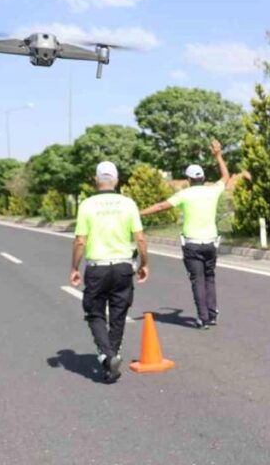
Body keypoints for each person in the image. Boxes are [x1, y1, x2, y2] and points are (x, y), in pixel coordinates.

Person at [140, 138, 235, 329]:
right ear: (203, 178)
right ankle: (212, 313)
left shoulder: (184, 194)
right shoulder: (212, 191)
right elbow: (226, 176)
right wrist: (218, 155)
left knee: (197, 280)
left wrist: (138, 212)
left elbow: (161, 206)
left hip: (191, 245)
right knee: (209, 277)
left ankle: (202, 318)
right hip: (210, 244)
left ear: (189, 180)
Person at [70, 161, 149, 384]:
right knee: (118, 314)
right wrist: (144, 263)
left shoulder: (86, 205)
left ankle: (108, 356)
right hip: (124, 267)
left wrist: (75, 267)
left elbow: (79, 241)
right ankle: (112, 358)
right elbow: (140, 238)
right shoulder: (128, 204)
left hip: (97, 268)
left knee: (95, 313)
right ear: (116, 180)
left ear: (96, 180)